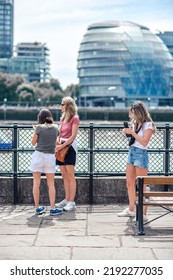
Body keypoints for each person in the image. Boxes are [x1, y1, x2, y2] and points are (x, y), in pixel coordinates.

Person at [118, 101, 156, 221]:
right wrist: (128, 133)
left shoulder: (148, 125)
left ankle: (143, 214)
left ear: (139, 113)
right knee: (129, 182)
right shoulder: (136, 123)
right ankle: (131, 209)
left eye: (134, 114)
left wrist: (132, 132)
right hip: (132, 152)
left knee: (142, 186)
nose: (132, 116)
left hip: (141, 153)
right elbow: (135, 139)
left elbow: (144, 142)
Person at [30, 108, 63, 216]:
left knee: (36, 183)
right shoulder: (55, 127)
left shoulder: (39, 127)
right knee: (51, 184)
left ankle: (37, 207)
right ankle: (52, 208)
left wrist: (36, 131)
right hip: (50, 157)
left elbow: (33, 143)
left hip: (38, 156)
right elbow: (55, 142)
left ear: (40, 118)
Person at [55, 97, 80, 211]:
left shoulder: (75, 118)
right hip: (61, 147)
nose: (61, 106)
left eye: (62, 104)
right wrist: (57, 143)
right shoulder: (62, 118)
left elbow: (73, 136)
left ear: (68, 105)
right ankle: (66, 199)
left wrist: (62, 146)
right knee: (64, 175)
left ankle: (71, 201)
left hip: (69, 148)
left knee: (70, 175)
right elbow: (59, 133)